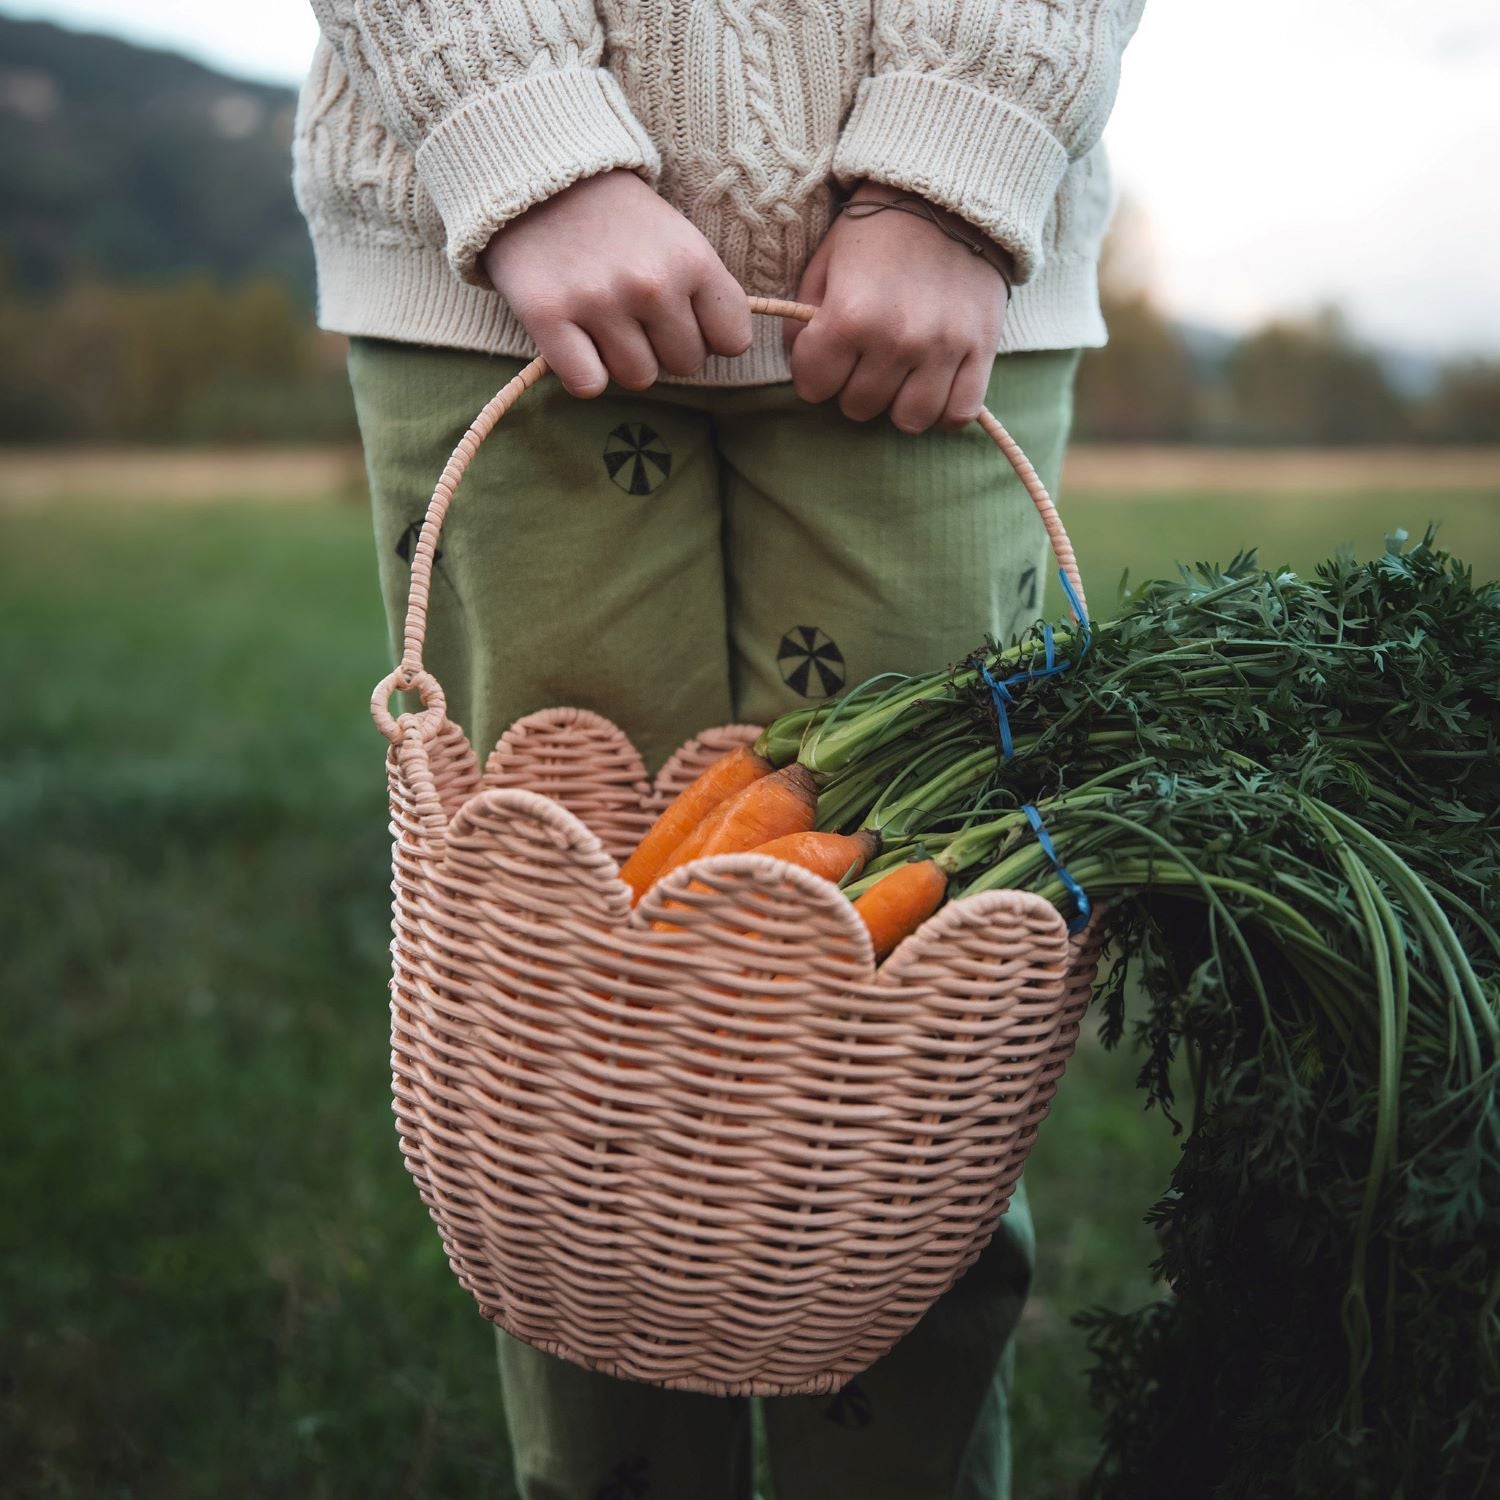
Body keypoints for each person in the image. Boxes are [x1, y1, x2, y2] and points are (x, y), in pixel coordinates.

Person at [293, 3, 1143, 1495]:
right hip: (484, 264)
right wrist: (525, 138)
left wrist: (956, 162)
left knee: (909, 1077)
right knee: (563, 1068)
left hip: (937, 293)